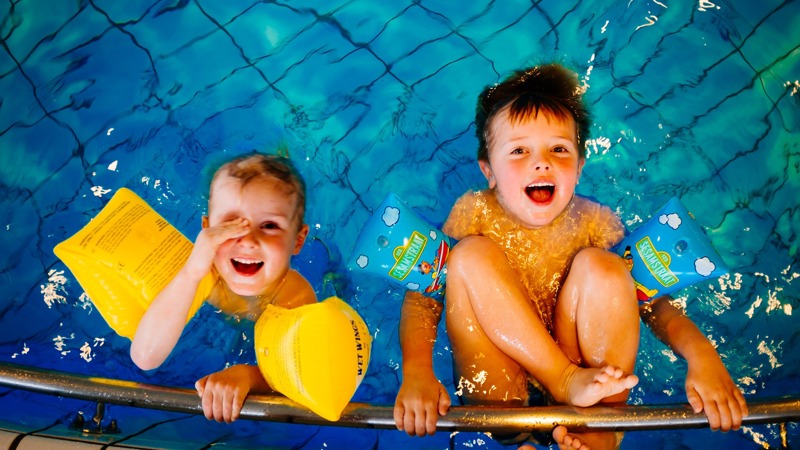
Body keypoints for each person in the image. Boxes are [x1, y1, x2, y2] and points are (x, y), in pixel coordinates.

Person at [393, 64, 748, 449]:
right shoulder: (473, 211)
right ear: (488, 170)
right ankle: (522, 433)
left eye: (558, 149)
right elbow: (424, 294)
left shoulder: (596, 221)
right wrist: (417, 372)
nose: (541, 162)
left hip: (586, 383)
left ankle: (595, 436)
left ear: (579, 168)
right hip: (501, 392)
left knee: (608, 268)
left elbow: (653, 303)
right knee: (468, 257)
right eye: (518, 150)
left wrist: (702, 357)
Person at [130, 152, 317, 423]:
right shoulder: (204, 272)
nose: (248, 240)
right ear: (206, 229)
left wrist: (248, 376)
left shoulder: (295, 296)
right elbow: (145, 358)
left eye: (269, 225)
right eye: (231, 223)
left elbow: (299, 372)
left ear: (298, 241)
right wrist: (192, 272)